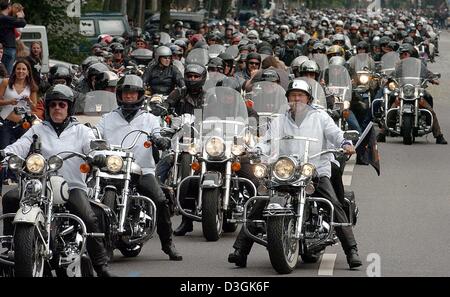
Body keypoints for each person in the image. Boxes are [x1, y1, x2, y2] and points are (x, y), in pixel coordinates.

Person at [228, 79, 362, 269]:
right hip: (285, 171)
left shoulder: (320, 117)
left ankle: (352, 251)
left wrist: (345, 144)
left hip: (314, 170)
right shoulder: (280, 119)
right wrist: (254, 149)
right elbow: (267, 140)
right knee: (260, 201)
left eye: (301, 95)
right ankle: (240, 250)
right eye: (293, 95)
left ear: (308, 98)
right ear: (288, 98)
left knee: (333, 203)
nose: (296, 99)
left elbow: (335, 134)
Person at [1, 84, 114, 277]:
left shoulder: (81, 130)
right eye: (53, 105)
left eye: (62, 104)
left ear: (69, 107)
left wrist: (99, 155)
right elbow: (20, 145)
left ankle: (101, 266)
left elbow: (93, 146)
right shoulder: (39, 130)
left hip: (71, 187)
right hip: (39, 186)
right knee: (11, 197)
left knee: (88, 218)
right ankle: (13, 247)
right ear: (47, 108)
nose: (57, 108)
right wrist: (5, 153)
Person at [96, 75, 183, 260]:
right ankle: (99, 243)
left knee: (160, 200)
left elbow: (157, 132)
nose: (129, 97)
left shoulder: (149, 119)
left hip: (142, 169)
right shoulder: (106, 118)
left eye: (132, 93)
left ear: (139, 95)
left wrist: (160, 140)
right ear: (119, 94)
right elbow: (95, 136)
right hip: (111, 169)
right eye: (125, 93)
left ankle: (168, 244)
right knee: (93, 198)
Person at [377, 43, 447, 144]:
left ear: (411, 54)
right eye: (401, 54)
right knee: (391, 108)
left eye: (405, 54)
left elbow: (427, 73)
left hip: (417, 92)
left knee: (430, 110)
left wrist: (433, 78)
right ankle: (382, 134)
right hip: (402, 92)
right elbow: (393, 75)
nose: (402, 56)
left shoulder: (419, 64)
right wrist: (386, 79)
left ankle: (439, 136)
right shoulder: (399, 66)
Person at [0, 0, 26, 75]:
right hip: (7, 49)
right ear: (9, 7)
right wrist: (20, 16)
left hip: (6, 49)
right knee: (6, 75)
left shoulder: (5, 18)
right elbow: (22, 23)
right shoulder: (4, 18)